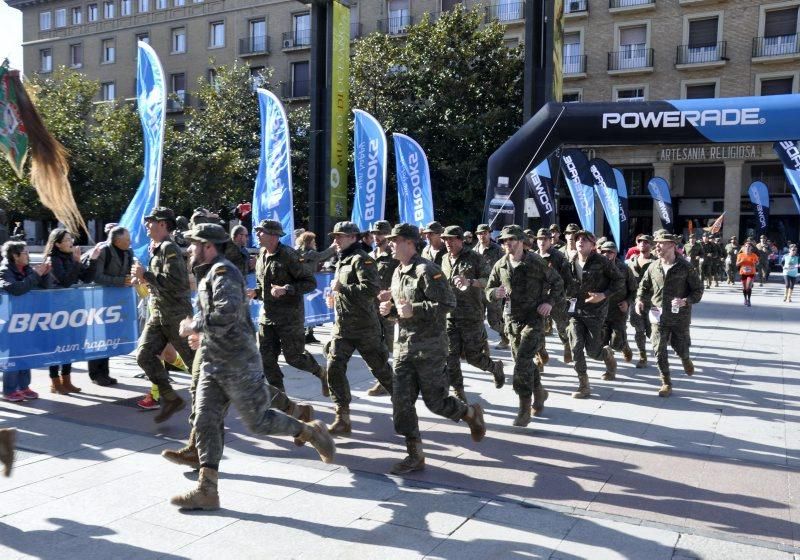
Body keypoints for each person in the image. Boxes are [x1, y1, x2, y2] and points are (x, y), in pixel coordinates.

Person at [169, 223, 335, 511]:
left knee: (258, 421)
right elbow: (213, 314)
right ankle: (207, 489)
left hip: (236, 361)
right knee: (205, 419)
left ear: (208, 246)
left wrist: (193, 326)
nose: (190, 249)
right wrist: (201, 332)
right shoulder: (209, 272)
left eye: (194, 244)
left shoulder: (224, 273)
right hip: (213, 361)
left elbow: (228, 313)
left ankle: (310, 432)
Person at [378, 223, 486, 475]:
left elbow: (447, 303)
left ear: (408, 243)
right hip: (404, 348)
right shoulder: (398, 272)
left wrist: (413, 308)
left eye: (395, 240)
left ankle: (470, 413)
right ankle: (415, 455)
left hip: (430, 349)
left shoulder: (427, 270)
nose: (390, 244)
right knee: (401, 403)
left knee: (436, 402)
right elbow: (402, 309)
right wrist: (390, 310)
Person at [486, 225, 564, 424]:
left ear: (521, 241)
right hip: (511, 321)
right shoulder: (501, 265)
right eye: (504, 241)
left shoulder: (536, 262)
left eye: (511, 240)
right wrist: (495, 293)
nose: (507, 244)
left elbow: (558, 283)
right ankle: (539, 393)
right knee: (526, 362)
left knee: (521, 363)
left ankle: (524, 408)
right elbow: (489, 288)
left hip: (533, 319)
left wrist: (549, 302)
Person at [324, 221, 393, 435]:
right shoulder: (342, 259)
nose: (335, 241)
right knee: (334, 368)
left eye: (340, 236)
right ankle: (342, 416)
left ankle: (404, 405)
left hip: (364, 328)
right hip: (343, 328)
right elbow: (343, 290)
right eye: (334, 236)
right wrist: (334, 297)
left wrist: (343, 288)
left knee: (382, 370)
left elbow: (371, 288)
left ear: (353, 237)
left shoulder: (362, 259)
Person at [131, 207, 194, 423]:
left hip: (177, 317)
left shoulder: (170, 248)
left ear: (163, 224)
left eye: (152, 221)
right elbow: (158, 283)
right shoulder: (155, 248)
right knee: (144, 355)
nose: (147, 225)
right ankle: (170, 397)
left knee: (195, 364)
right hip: (158, 315)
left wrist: (145, 275)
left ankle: (210, 406)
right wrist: (141, 280)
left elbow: (177, 283)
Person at [251, 219, 328, 395]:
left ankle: (322, 373)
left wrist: (287, 289)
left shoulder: (289, 255)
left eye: (261, 231)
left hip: (289, 318)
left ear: (273, 236)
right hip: (268, 316)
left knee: (294, 358)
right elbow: (262, 285)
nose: (257, 234)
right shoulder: (261, 254)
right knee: (266, 359)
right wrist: (255, 292)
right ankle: (280, 397)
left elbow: (310, 283)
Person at [440, 225, 504, 403]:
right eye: (445, 239)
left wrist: (470, 281)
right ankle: (458, 391)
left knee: (473, 357)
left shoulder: (475, 258)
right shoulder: (444, 259)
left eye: (452, 239)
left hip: (471, 315)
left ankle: (495, 368)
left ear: (461, 240)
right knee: (450, 356)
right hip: (450, 316)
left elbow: (489, 281)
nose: (448, 243)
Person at [635, 230, 704, 397]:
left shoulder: (686, 267)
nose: (656, 246)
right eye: (655, 243)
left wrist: (685, 301)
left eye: (660, 243)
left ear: (672, 245)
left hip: (679, 317)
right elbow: (643, 287)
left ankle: (685, 358)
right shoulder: (653, 267)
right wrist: (639, 300)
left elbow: (698, 290)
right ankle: (666, 382)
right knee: (658, 349)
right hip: (657, 316)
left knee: (681, 348)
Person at [565, 230, 624, 398]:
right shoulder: (571, 261)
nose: (580, 242)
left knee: (593, 352)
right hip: (575, 311)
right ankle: (584, 385)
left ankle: (606, 354)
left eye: (585, 239)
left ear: (592, 245)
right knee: (575, 347)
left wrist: (603, 295)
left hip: (596, 312)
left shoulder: (602, 261)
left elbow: (619, 280)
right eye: (578, 239)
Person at [0, 241, 52, 401]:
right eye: (25, 253)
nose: (28, 256)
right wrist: (36, 275)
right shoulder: (4, 271)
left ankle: (24, 386)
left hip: (27, 318)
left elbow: (44, 287)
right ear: (15, 256)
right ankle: (9, 390)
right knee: (13, 355)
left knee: (25, 352)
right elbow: (17, 289)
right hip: (9, 320)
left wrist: (45, 273)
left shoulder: (28, 269)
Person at [84, 225, 135, 386]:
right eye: (127, 239)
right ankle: (96, 374)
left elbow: (128, 272)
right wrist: (121, 281)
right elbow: (97, 277)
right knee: (98, 337)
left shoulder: (129, 252)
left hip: (116, 301)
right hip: (99, 299)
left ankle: (105, 372)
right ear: (117, 240)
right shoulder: (104, 251)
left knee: (109, 337)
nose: (130, 242)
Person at [44, 228, 84, 394]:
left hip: (72, 307)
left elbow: (86, 277)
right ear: (58, 244)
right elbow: (66, 281)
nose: (71, 242)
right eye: (67, 240)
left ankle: (66, 379)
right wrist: (76, 262)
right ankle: (55, 381)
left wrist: (89, 261)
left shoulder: (71, 257)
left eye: (71, 239)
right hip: (57, 308)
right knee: (57, 345)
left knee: (70, 344)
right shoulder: (53, 259)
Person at [367, 220, 398, 397]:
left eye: (380, 233)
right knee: (377, 347)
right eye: (374, 233)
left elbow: (403, 279)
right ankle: (384, 380)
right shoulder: (370, 255)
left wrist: (392, 294)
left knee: (395, 346)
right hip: (372, 309)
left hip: (390, 308)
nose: (376, 237)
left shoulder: (394, 256)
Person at [535, 228, 572, 365]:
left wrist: (565, 297)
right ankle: (540, 358)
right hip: (539, 299)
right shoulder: (533, 256)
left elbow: (566, 280)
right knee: (538, 330)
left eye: (545, 239)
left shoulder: (559, 257)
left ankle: (567, 344)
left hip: (557, 299)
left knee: (562, 327)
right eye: (539, 239)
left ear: (550, 240)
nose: (542, 242)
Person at [295, 230, 337, 344]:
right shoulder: (308, 253)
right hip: (305, 283)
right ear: (308, 242)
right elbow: (321, 256)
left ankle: (309, 333)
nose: (315, 243)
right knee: (306, 308)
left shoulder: (300, 251)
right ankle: (304, 333)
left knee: (310, 308)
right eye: (313, 241)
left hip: (305, 283)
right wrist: (333, 248)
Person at [599, 241, 637, 364]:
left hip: (619, 310)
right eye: (603, 251)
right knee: (603, 342)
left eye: (609, 252)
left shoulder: (624, 269)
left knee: (616, 341)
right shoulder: (596, 269)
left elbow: (634, 290)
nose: (606, 254)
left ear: (615, 253)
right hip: (601, 310)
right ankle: (610, 368)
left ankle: (624, 346)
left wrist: (627, 302)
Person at [472, 223, 508, 349]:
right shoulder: (474, 251)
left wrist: (504, 285)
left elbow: (505, 267)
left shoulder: (497, 249)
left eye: (484, 233)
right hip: (478, 290)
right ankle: (481, 344)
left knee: (494, 321)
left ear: (489, 233)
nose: (482, 236)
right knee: (478, 319)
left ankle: (507, 336)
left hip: (493, 289)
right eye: (479, 233)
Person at [626, 234, 657, 368]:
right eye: (640, 242)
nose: (643, 244)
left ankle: (659, 350)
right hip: (636, 301)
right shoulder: (631, 261)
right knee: (639, 329)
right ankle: (642, 355)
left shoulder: (657, 262)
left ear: (651, 245)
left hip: (652, 302)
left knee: (652, 331)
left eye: (646, 242)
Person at [736, 241, 759, 307]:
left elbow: (757, 263)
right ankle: (745, 299)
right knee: (744, 288)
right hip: (743, 273)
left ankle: (749, 300)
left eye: (749, 246)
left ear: (751, 248)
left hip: (751, 273)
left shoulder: (754, 255)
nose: (747, 247)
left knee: (748, 286)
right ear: (744, 247)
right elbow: (737, 264)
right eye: (746, 246)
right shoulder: (740, 255)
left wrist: (755, 263)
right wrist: (741, 261)